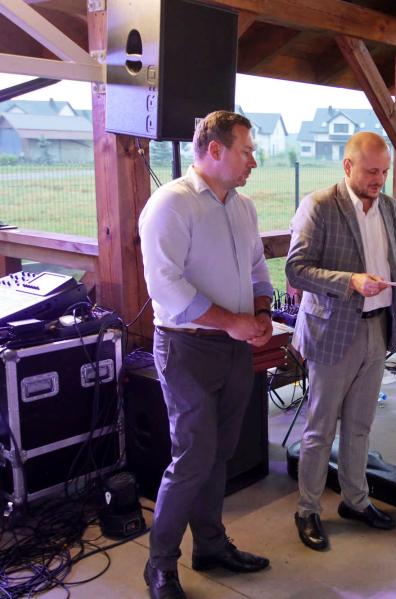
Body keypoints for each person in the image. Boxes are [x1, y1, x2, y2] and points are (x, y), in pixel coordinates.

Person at [138, 111, 273, 599]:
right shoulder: (170, 204)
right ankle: (159, 565)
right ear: (215, 150)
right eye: (246, 151)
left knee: (219, 454)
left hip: (235, 347)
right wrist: (233, 321)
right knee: (192, 458)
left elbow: (257, 267)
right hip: (186, 348)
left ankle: (211, 546)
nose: (253, 161)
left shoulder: (243, 207)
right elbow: (166, 287)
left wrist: (261, 311)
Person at [286, 131, 396, 552]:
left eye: (385, 171)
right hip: (332, 333)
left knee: (360, 425)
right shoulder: (320, 206)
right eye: (371, 171)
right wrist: (350, 282)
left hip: (377, 329)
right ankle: (307, 509)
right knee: (320, 429)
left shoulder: (392, 208)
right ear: (348, 166)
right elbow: (296, 269)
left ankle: (355, 500)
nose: (379, 179)